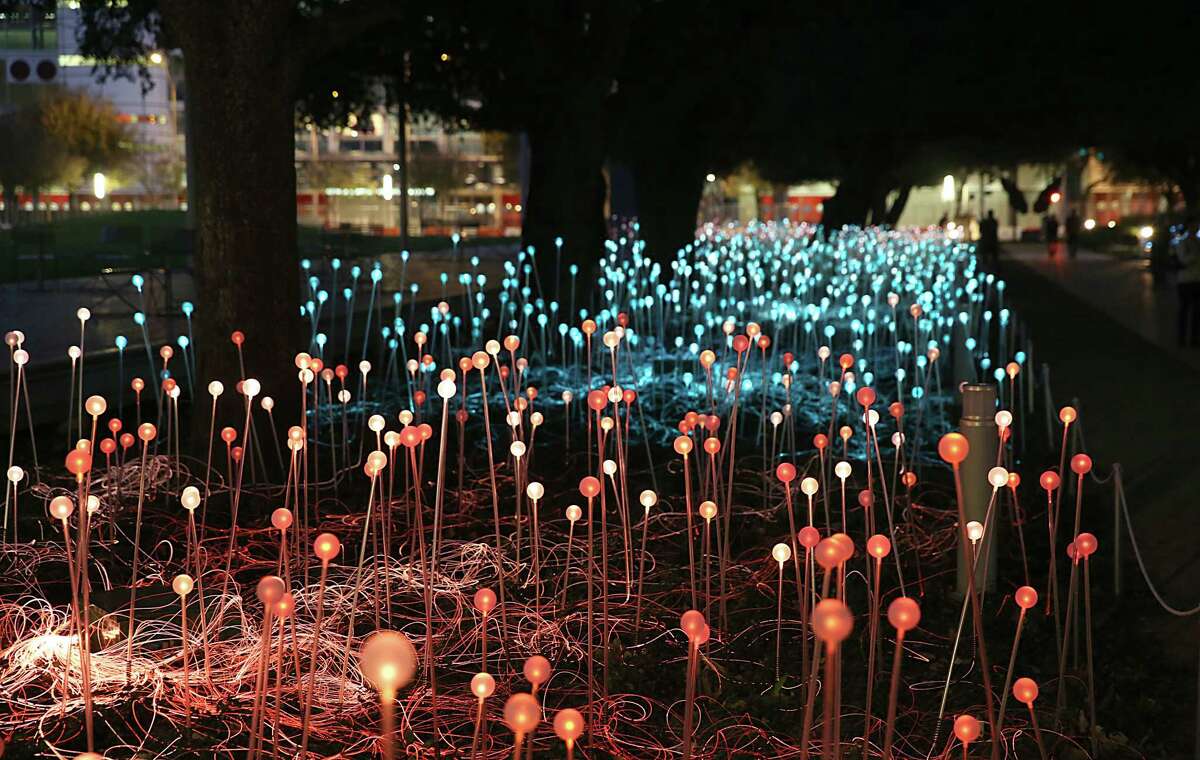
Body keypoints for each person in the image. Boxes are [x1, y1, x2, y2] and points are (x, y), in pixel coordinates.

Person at [1177, 219, 1200, 346]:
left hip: (1196, 280)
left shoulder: (1197, 242)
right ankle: (1182, 339)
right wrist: (1195, 255)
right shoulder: (1183, 242)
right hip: (1185, 281)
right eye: (1193, 225)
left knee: (1196, 311)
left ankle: (1194, 339)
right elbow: (1183, 260)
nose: (1196, 228)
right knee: (1184, 310)